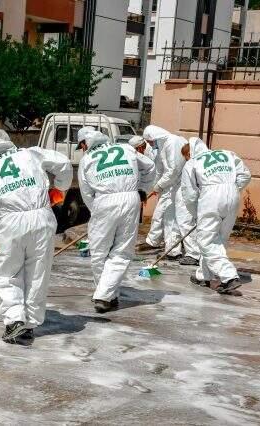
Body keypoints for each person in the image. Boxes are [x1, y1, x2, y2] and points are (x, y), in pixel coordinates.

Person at [0, 129, 72, 344]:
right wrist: (59, 189)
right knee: (37, 274)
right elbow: (63, 163)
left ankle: (14, 321)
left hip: (11, 224)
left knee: (8, 275)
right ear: (6, 141)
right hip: (42, 218)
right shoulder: (30, 154)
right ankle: (29, 324)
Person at [77, 130, 155, 313]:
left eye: (81, 146)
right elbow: (150, 166)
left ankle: (103, 295)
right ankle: (107, 295)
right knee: (121, 251)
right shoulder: (126, 148)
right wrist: (143, 188)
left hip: (104, 201)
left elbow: (86, 192)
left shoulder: (87, 160)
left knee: (99, 252)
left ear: (85, 144)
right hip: (130, 199)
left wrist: (95, 211)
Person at [181, 141, 252, 294]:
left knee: (205, 240)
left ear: (189, 153)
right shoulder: (227, 154)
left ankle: (229, 277)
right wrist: (231, 188)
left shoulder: (192, 163)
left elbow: (189, 194)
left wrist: (197, 213)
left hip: (210, 197)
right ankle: (204, 276)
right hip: (232, 195)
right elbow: (246, 175)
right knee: (219, 238)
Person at [139, 125, 186, 260]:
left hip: (178, 186)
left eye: (150, 142)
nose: (150, 145)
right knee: (160, 213)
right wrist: (154, 187)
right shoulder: (162, 146)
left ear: (155, 138)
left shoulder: (173, 142)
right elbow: (160, 170)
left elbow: (174, 170)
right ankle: (155, 241)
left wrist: (158, 186)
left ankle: (173, 251)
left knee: (170, 219)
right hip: (169, 185)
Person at [174, 137, 209, 266]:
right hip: (204, 200)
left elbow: (189, 190)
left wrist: (193, 209)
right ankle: (200, 254)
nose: (186, 160)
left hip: (190, 201)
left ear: (189, 154)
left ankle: (193, 254)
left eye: (185, 157)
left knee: (186, 224)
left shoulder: (191, 164)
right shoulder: (205, 161)